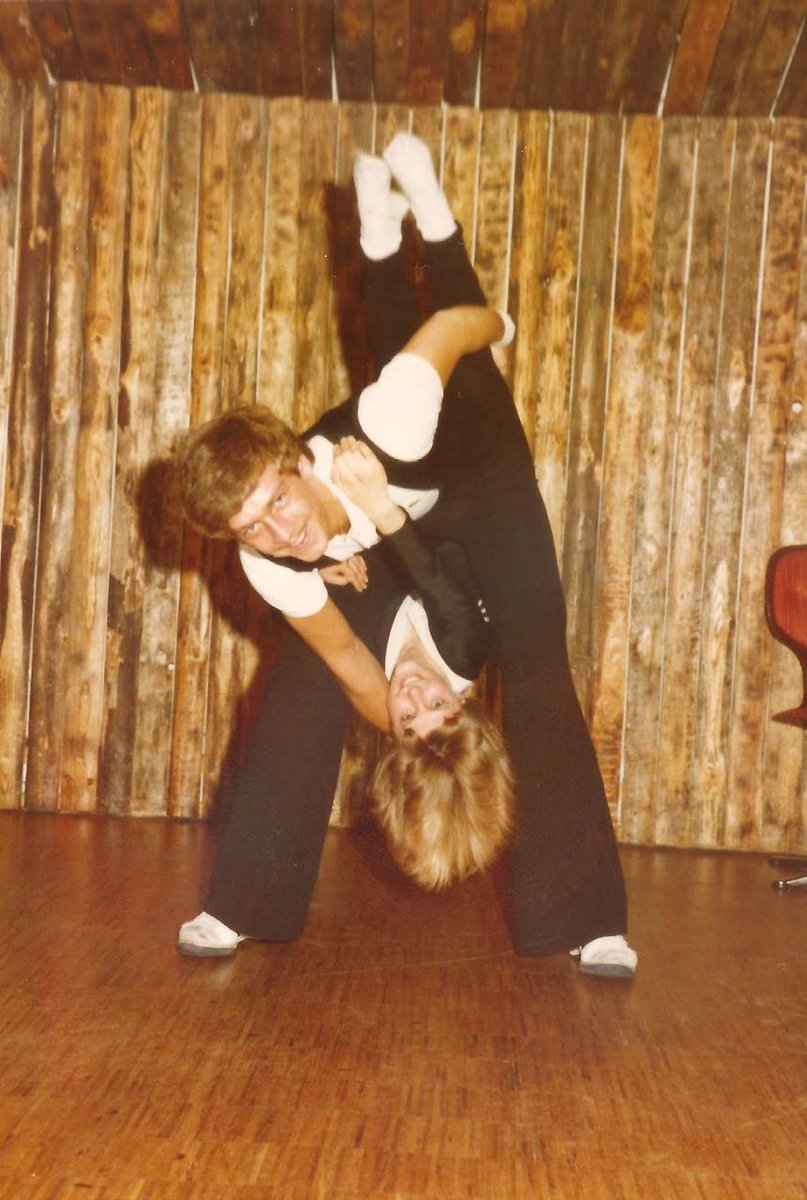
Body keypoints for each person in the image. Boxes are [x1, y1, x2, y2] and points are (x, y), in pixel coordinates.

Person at [176, 133, 637, 979]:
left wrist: (410, 724)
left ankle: (586, 918)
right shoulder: (341, 489)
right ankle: (243, 903)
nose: (272, 533)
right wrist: (499, 325)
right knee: (317, 660)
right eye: (442, 715)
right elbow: (452, 330)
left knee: (535, 661)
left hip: (463, 483)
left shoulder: (355, 465)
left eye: (274, 510)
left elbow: (361, 671)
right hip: (413, 497)